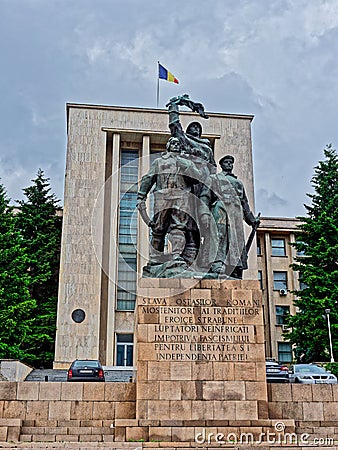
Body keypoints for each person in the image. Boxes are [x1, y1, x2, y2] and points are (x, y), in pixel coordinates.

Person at [166, 95, 217, 264]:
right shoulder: (185, 141)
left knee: (202, 220)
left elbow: (213, 168)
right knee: (185, 218)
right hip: (188, 184)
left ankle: (203, 255)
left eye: (198, 127)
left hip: (203, 186)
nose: (196, 129)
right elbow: (175, 126)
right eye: (192, 126)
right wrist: (175, 105)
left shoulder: (207, 147)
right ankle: (184, 253)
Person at [137, 137, 200, 265]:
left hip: (181, 197)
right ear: (168, 146)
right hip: (163, 197)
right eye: (173, 143)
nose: (176, 145)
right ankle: (155, 257)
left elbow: (196, 178)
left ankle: (177, 254)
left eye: (178, 143)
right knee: (158, 228)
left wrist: (185, 165)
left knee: (178, 226)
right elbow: (148, 178)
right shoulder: (159, 162)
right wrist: (141, 196)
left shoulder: (186, 162)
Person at [200, 155, 259, 278]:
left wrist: (252, 220)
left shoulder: (238, 183)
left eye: (231, 162)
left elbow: (245, 204)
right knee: (218, 236)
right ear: (221, 165)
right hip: (220, 209)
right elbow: (205, 197)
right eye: (226, 162)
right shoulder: (214, 178)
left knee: (235, 241)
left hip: (235, 213)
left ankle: (234, 266)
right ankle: (217, 263)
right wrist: (204, 213)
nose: (229, 164)